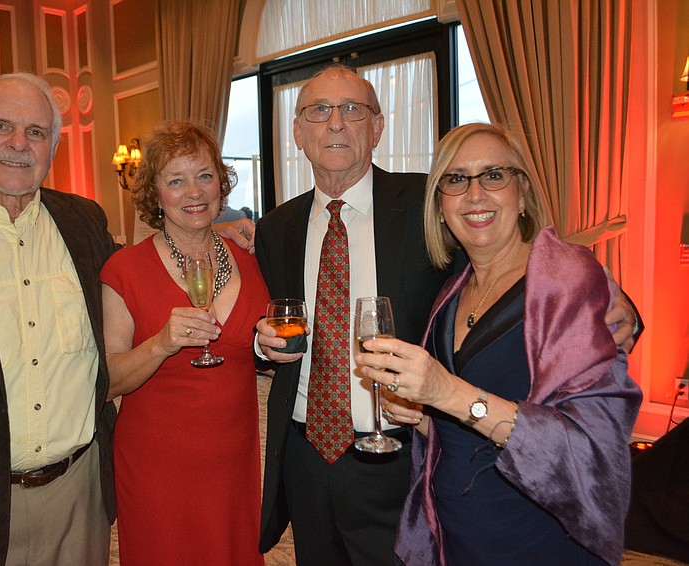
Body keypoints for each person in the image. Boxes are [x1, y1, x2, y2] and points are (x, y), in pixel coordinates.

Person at [0, 73, 254, 566]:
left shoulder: (82, 221)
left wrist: (215, 230)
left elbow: (146, 264)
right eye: (1, 126)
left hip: (79, 494)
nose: (19, 144)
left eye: (36, 132)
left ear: (53, 148)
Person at [253, 65, 640, 566]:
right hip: (305, 456)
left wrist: (614, 298)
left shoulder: (433, 202)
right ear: (298, 132)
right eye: (319, 111)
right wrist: (262, 345)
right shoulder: (275, 228)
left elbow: (518, 254)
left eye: (352, 109)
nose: (335, 123)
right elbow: (268, 321)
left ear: (377, 126)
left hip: (401, 454)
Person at [357, 122, 643, 565]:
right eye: (456, 179)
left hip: (535, 536)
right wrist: (424, 418)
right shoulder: (453, 291)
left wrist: (447, 392)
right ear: (439, 206)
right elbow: (469, 433)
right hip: (458, 534)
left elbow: (592, 453)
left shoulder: (564, 281)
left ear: (522, 192)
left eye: (493, 175)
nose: (475, 194)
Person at [100, 121, 269, 566]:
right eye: (176, 180)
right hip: (158, 469)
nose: (194, 191)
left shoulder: (253, 258)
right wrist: (160, 344)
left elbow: (264, 347)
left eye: (205, 175)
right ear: (155, 194)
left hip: (235, 464)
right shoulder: (124, 270)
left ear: (221, 184)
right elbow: (108, 380)